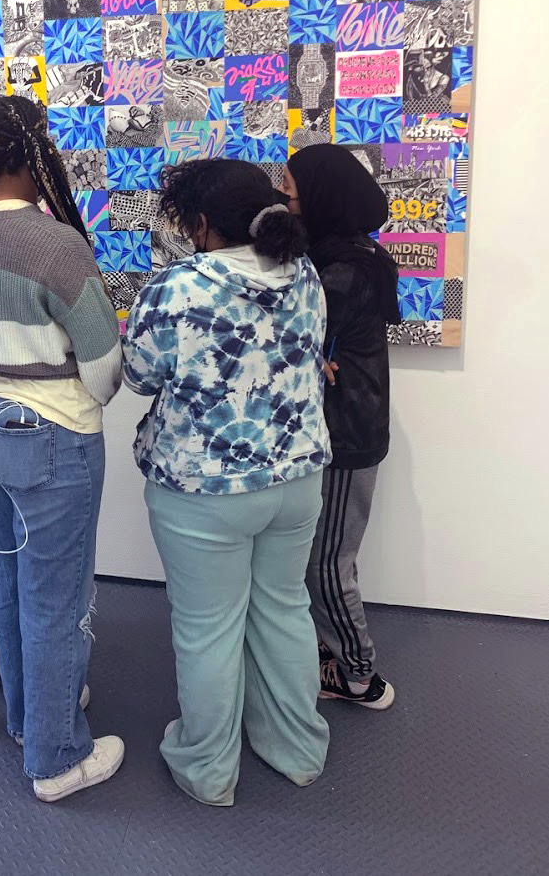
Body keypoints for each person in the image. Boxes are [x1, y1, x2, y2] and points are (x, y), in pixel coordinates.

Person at [123, 159, 331, 807]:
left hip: (204, 488)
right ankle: (297, 750)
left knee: (208, 629)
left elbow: (139, 375)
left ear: (202, 222)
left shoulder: (178, 286)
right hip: (296, 475)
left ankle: (208, 771)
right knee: (284, 609)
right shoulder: (302, 271)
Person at [0, 95, 125, 803]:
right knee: (57, 596)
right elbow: (103, 368)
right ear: (36, 148)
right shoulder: (57, 244)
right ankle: (56, 761)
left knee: (10, 580)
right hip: (47, 431)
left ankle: (28, 719)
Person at [282, 144, 401, 710]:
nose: (284, 198)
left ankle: (359, 676)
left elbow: (283, 336)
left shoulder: (342, 272)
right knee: (322, 556)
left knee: (326, 562)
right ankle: (334, 657)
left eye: (291, 189)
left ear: (321, 196)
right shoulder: (344, 255)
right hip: (340, 427)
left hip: (345, 436)